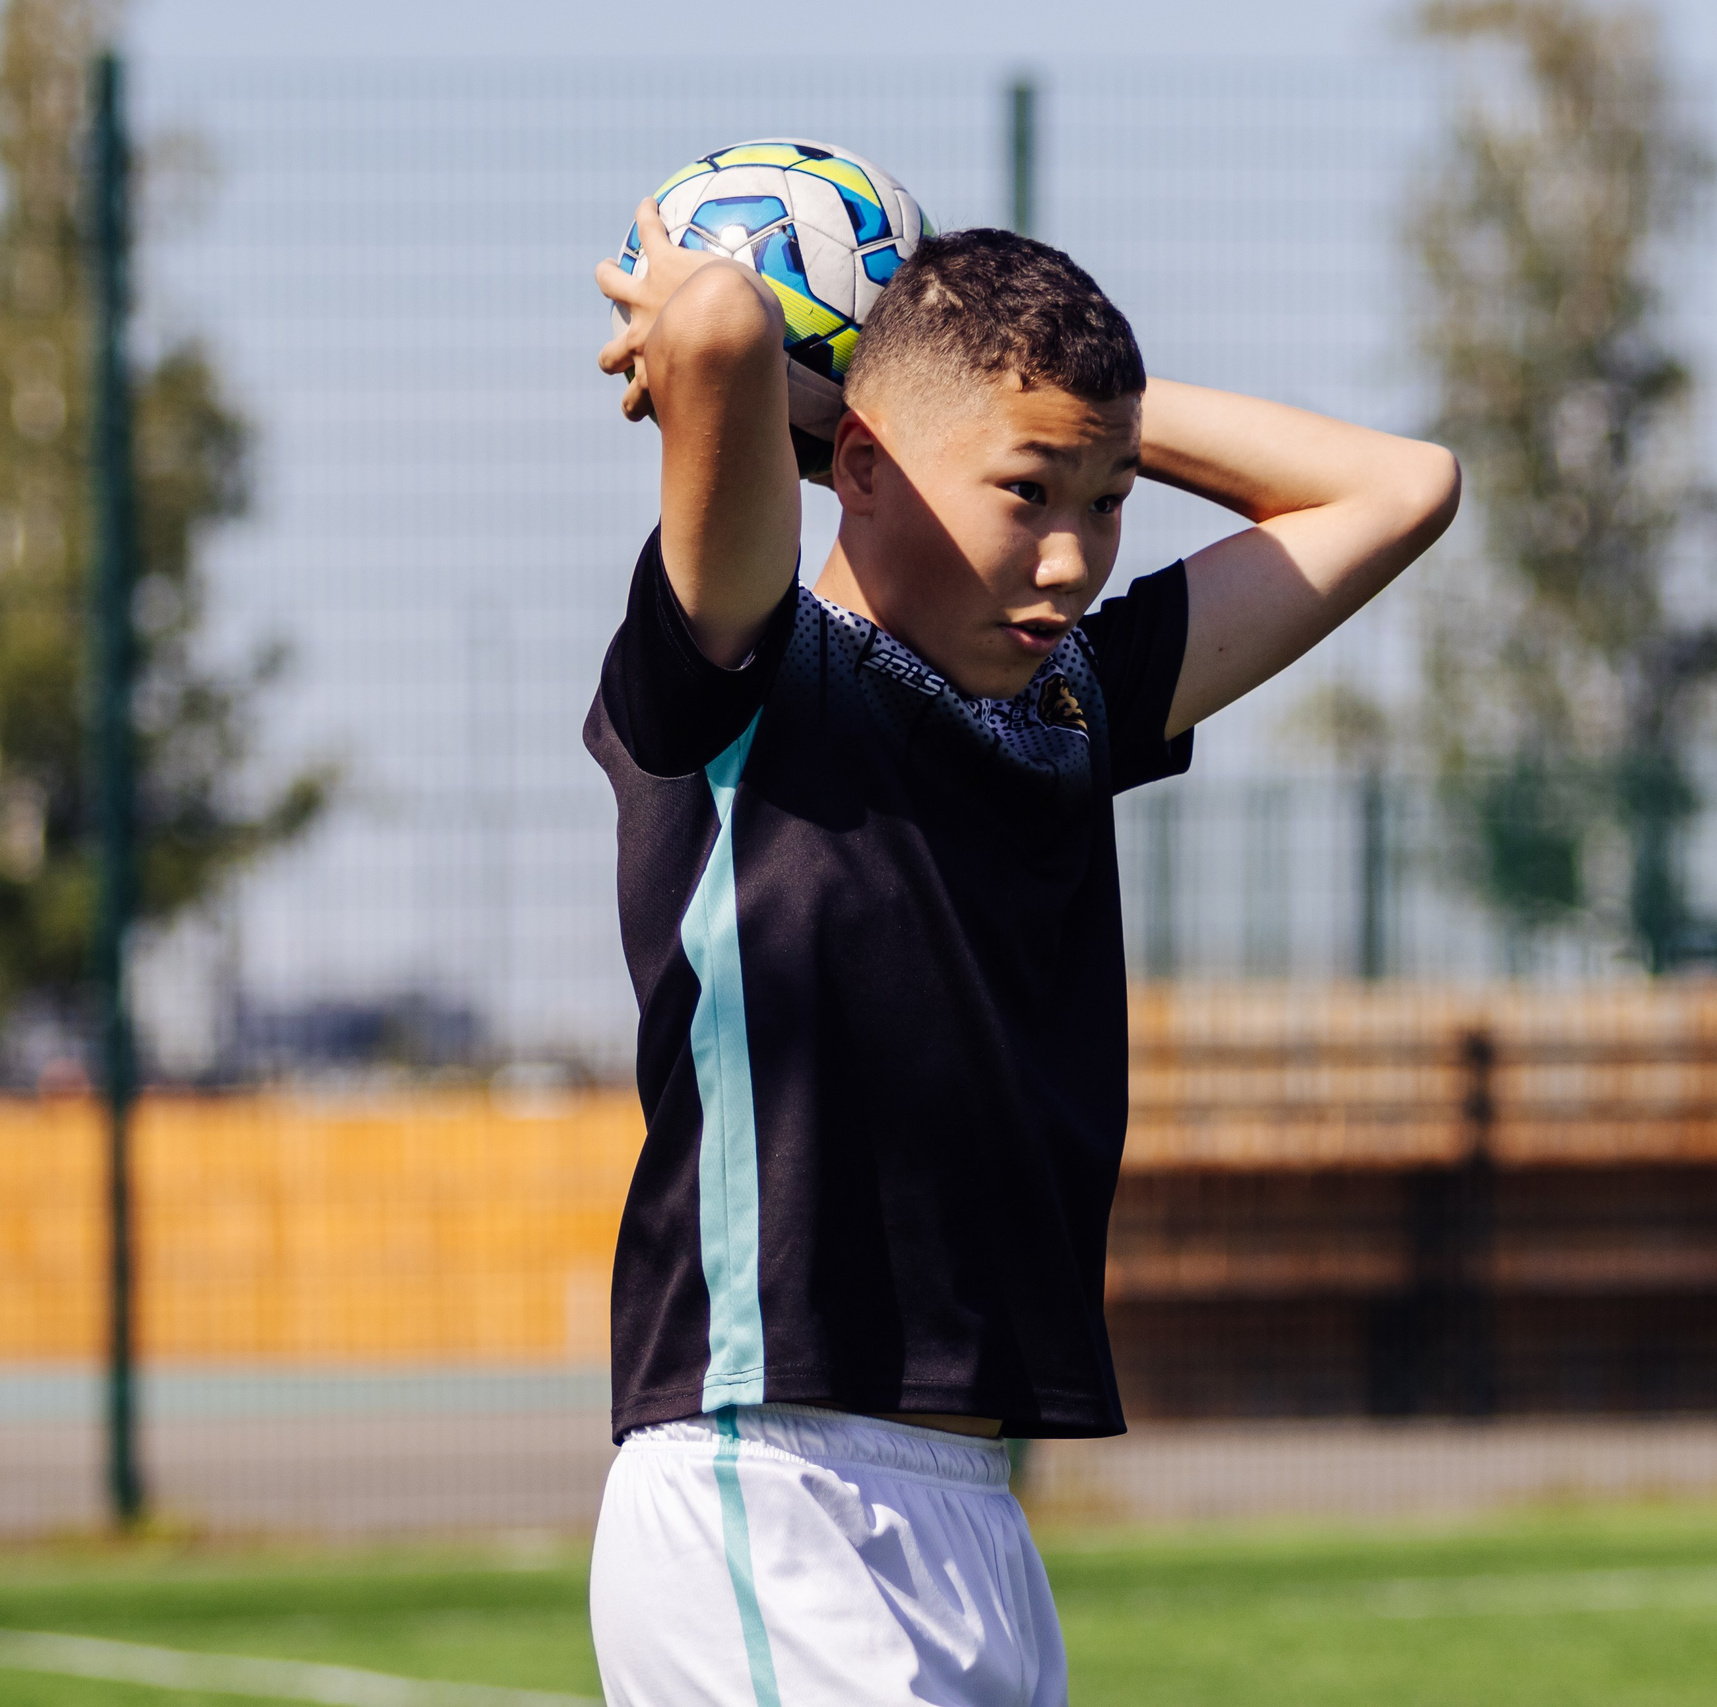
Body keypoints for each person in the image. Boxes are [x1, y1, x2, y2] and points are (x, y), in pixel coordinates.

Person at [581, 199, 1459, 1706]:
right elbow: (719, 323)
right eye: (1026, 492)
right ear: (859, 466)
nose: (1074, 558)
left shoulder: (1070, 707)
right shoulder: (749, 681)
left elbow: (1403, 486)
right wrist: (868, 372)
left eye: (1106, 502)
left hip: (973, 1514)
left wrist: (1036, 403)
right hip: (770, 1485)